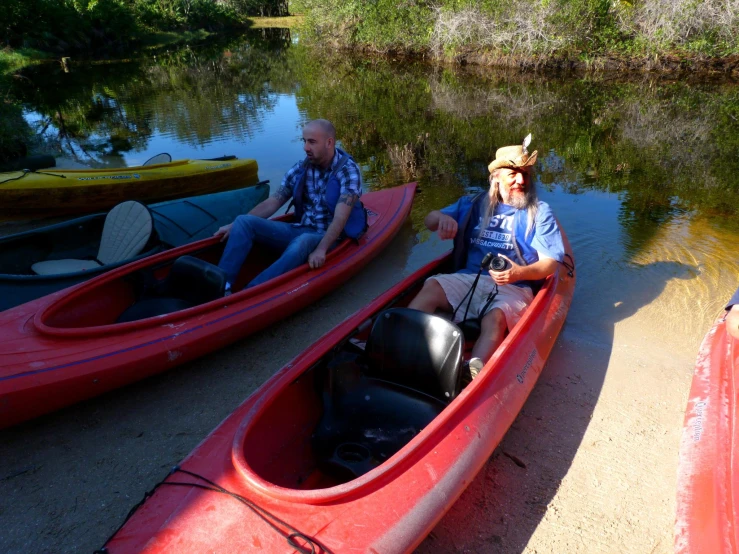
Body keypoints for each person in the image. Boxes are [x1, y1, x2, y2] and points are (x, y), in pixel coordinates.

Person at [408, 135, 565, 378]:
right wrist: (442, 219)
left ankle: (473, 372)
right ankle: (400, 340)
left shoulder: (539, 212)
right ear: (496, 177)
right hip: (469, 277)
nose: (521, 180)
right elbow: (429, 219)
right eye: (513, 173)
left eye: (525, 173)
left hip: (515, 285)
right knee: (432, 286)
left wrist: (518, 273)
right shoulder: (472, 203)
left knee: (495, 318)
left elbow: (550, 263)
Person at [214, 119, 365, 292]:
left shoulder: (348, 171)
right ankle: (222, 285)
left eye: (312, 142)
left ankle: (251, 292)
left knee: (303, 241)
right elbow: (274, 201)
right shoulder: (302, 168)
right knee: (244, 221)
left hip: (331, 238)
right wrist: (234, 226)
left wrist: (321, 250)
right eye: (304, 141)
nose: (305, 147)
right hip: (302, 229)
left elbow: (341, 217)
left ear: (329, 142)